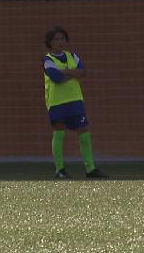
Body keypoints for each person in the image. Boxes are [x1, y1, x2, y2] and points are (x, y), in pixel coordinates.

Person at [43, 25, 107, 179]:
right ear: (50, 43)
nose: (60, 42)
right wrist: (73, 73)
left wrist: (65, 71)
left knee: (84, 131)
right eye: (56, 39)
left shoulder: (73, 56)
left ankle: (90, 168)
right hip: (57, 102)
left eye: (62, 39)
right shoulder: (48, 60)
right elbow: (56, 78)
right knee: (59, 132)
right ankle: (60, 169)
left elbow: (83, 72)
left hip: (75, 100)